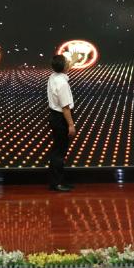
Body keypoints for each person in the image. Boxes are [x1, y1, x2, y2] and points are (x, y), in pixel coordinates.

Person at [47, 51, 80, 192]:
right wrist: (71, 125)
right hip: (61, 118)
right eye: (67, 63)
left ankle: (57, 181)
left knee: (58, 150)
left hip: (55, 116)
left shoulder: (54, 76)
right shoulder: (62, 84)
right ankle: (57, 183)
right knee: (59, 152)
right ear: (64, 67)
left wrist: (73, 61)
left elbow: (64, 69)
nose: (69, 64)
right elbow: (65, 108)